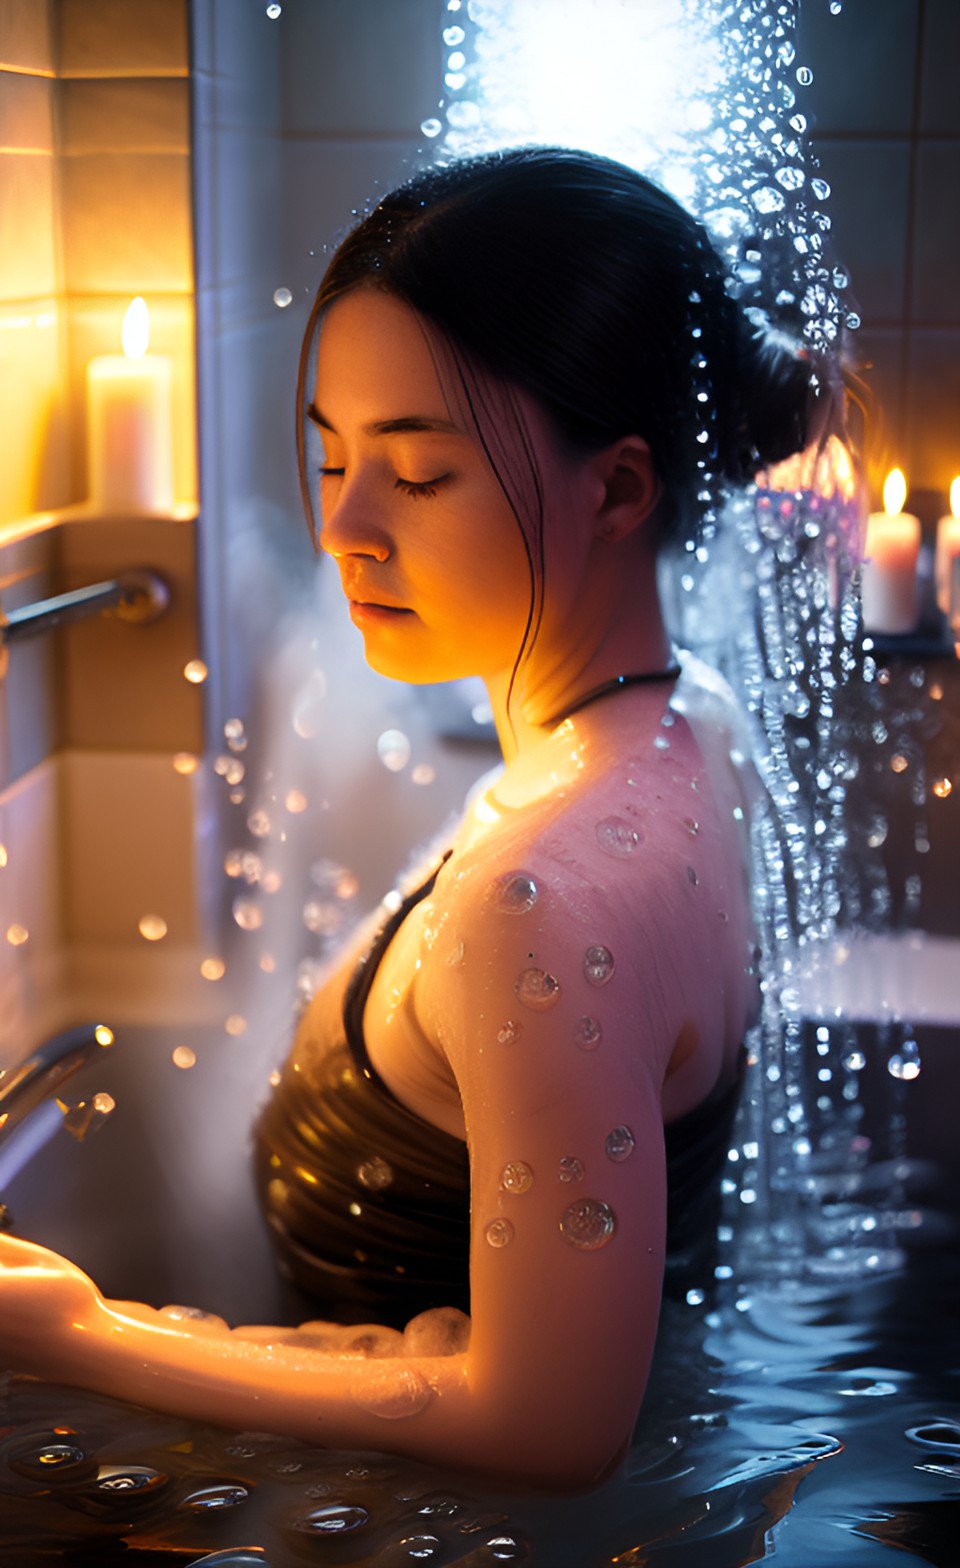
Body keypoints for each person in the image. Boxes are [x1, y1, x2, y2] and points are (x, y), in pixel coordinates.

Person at [0, 148, 830, 1489]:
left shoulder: (542, 907)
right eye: (329, 459)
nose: (343, 528)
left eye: (419, 475)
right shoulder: (697, 726)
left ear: (620, 490)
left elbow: (549, 1429)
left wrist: (84, 1333)